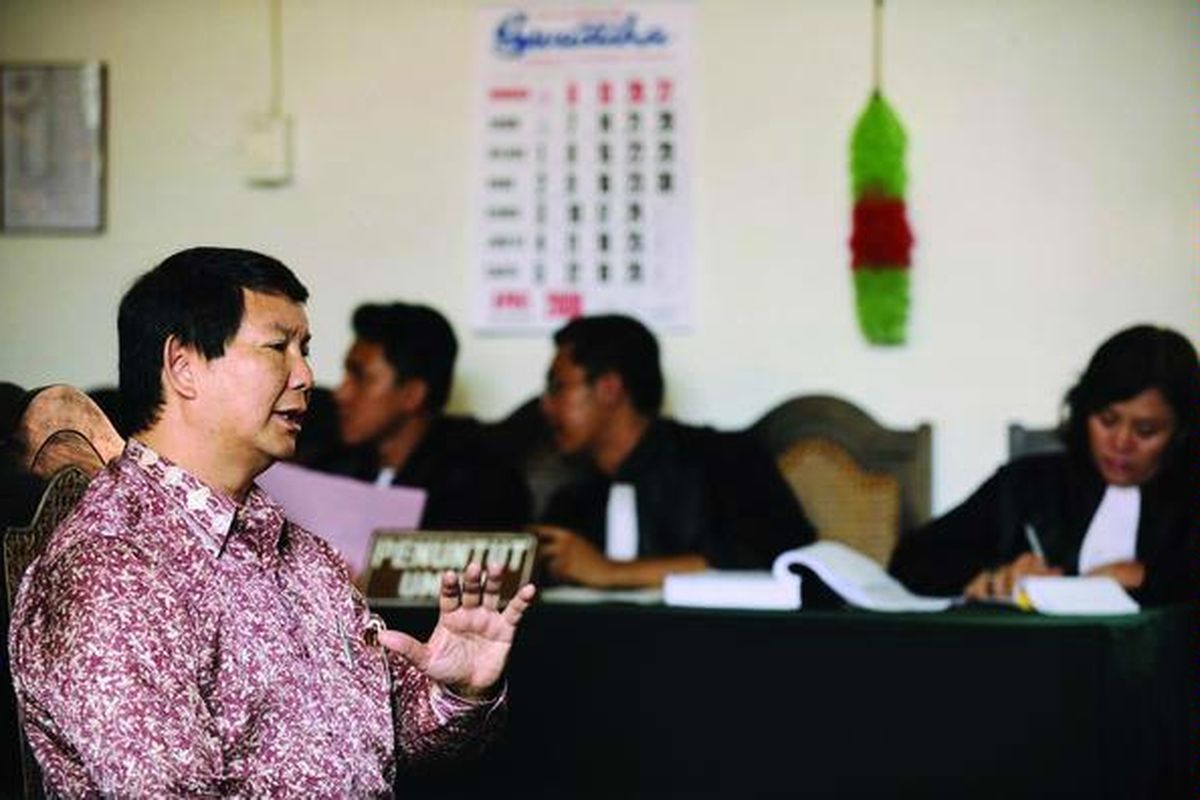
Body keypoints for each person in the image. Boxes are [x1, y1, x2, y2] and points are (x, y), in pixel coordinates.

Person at [8, 247, 536, 797]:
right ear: (184, 366)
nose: (307, 376)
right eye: (277, 347)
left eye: (305, 350)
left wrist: (460, 692)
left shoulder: (302, 554)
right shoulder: (112, 569)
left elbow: (390, 739)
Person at [889, 324, 1200, 606]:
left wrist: (1148, 578)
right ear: (1083, 411)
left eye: (1146, 431)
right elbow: (911, 560)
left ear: (1182, 432)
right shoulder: (1028, 483)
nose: (1121, 443)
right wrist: (994, 574)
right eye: (1107, 420)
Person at [532, 314, 816, 588]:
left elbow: (788, 559)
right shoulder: (572, 497)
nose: (545, 406)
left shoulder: (725, 459)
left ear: (609, 389)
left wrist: (613, 572)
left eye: (558, 388)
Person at [317, 302, 531, 530]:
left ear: (412, 395)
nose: (341, 393)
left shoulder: (480, 484)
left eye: (361, 377)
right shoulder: (330, 464)